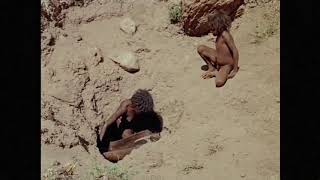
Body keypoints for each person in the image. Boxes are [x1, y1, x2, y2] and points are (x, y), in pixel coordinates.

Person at [96, 89, 163, 162]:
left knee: (146, 134)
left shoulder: (141, 112)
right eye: (141, 110)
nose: (142, 112)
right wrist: (100, 143)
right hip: (123, 130)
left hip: (134, 130)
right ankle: (115, 150)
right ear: (136, 106)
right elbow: (107, 124)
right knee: (127, 135)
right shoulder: (125, 106)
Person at [197, 10, 240, 87]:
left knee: (219, 82)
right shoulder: (219, 34)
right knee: (200, 48)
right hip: (218, 58)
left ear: (218, 25)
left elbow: (234, 50)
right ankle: (211, 68)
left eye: (212, 28)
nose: (211, 30)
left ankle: (215, 73)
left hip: (226, 64)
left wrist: (235, 69)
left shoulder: (225, 35)